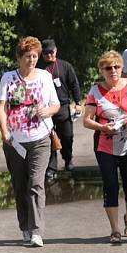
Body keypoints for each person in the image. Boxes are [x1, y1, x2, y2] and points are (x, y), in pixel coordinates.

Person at [0, 36, 60, 247]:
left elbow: (55, 105)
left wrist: (46, 110)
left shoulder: (44, 77)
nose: (31, 60)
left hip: (40, 138)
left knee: (35, 183)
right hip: (15, 141)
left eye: (34, 56)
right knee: (20, 185)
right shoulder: (8, 78)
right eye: (27, 56)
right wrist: (5, 132)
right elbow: (1, 107)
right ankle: (24, 226)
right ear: (19, 57)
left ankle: (36, 231)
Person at [83, 51, 127, 245]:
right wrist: (102, 127)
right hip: (105, 146)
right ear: (101, 71)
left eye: (116, 67)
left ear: (121, 68)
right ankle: (114, 230)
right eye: (108, 68)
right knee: (111, 185)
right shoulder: (95, 91)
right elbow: (87, 121)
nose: (113, 71)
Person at [39, 39, 81, 180]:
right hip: (45, 109)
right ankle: (51, 167)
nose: (49, 55)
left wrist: (78, 102)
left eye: (51, 52)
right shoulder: (39, 68)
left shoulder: (65, 66)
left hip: (62, 107)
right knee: (50, 138)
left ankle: (68, 159)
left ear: (55, 51)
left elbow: (74, 84)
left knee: (67, 136)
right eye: (45, 53)